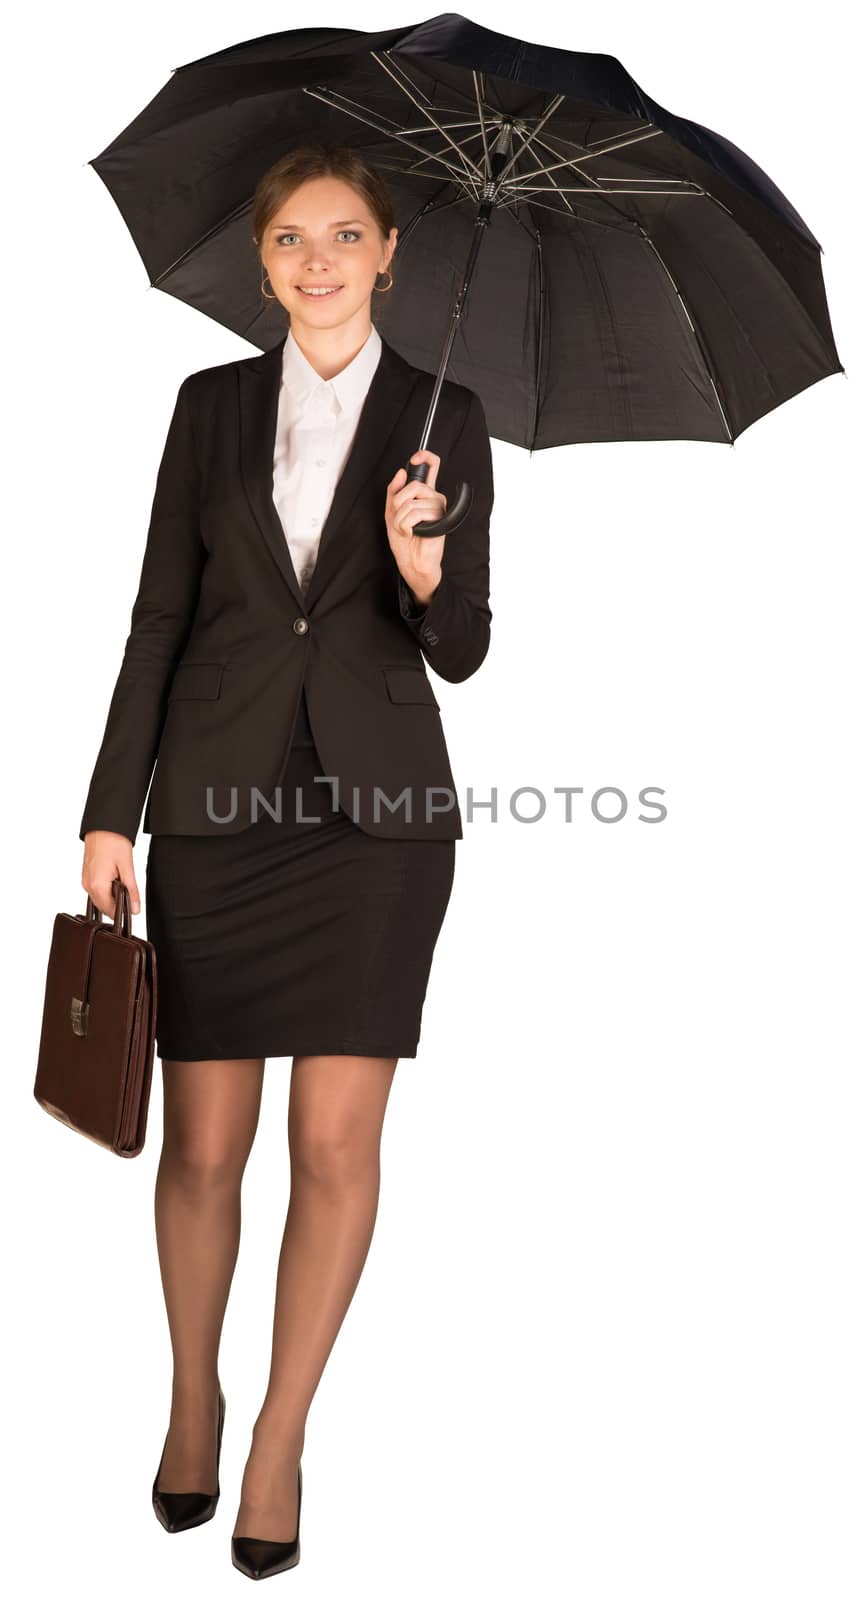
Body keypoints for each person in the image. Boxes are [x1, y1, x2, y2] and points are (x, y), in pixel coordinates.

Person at [79, 142, 494, 1579]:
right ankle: (192, 1390)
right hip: (214, 810)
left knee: (335, 1148)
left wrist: (426, 570)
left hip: (376, 832)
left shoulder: (452, 419)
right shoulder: (206, 409)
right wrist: (107, 809)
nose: (316, 261)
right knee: (201, 1149)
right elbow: (156, 618)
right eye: (290, 241)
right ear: (261, 264)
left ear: (390, 253)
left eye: (344, 236)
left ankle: (277, 1436)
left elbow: (460, 649)